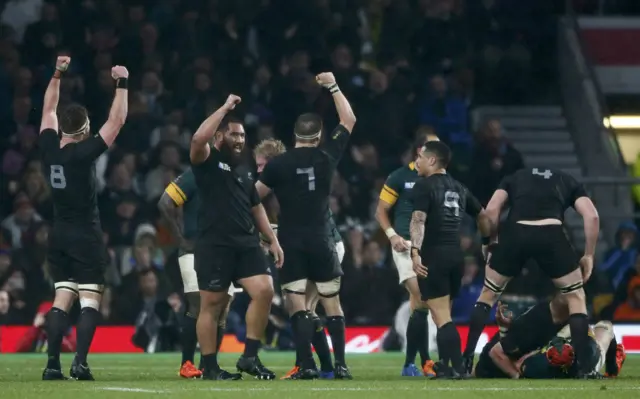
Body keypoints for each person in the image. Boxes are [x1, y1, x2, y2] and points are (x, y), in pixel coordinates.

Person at [255, 72, 356, 380]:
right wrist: (334, 86)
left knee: (297, 303)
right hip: (322, 238)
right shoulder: (327, 156)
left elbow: (252, 199)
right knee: (331, 303)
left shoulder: (277, 165)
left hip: (291, 240)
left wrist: (267, 233)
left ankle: (306, 365)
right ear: (320, 135)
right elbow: (349, 119)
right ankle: (340, 366)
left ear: (294, 134)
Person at [461, 168, 600, 378]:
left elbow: (491, 210)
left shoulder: (513, 177)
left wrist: (490, 242)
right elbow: (592, 216)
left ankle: (466, 359)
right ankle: (585, 369)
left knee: (488, 294)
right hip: (551, 233)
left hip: (516, 233)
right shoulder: (567, 180)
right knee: (575, 297)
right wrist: (588, 255)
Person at [39, 56, 129, 380]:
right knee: (90, 300)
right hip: (85, 234)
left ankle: (52, 365)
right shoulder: (84, 153)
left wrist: (57, 72)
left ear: (62, 127)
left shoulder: (48, 147)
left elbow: (49, 108)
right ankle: (80, 363)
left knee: (62, 297)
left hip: (58, 234)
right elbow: (117, 121)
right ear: (86, 128)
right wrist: (122, 82)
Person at [189, 94, 283, 380]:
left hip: (246, 244)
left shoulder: (244, 171)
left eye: (242, 135)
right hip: (214, 245)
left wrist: (272, 240)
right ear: (220, 135)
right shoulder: (206, 160)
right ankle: (210, 367)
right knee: (213, 305)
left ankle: (250, 357)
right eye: (234, 135)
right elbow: (196, 140)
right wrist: (225, 109)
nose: (240, 140)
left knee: (265, 290)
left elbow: (257, 208)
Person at [409, 141, 491, 378]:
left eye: (422, 157)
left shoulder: (424, 186)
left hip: (434, 255)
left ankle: (457, 367)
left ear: (433, 160)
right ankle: (446, 364)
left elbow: (418, 220)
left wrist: (415, 252)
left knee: (441, 316)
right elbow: (483, 215)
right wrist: (485, 243)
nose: (418, 162)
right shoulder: (459, 187)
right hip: (457, 258)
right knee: (444, 313)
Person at [158, 167, 240, 378]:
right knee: (197, 302)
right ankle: (187, 363)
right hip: (194, 249)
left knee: (223, 304)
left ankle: (208, 365)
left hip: (223, 249)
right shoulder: (194, 175)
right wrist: (180, 238)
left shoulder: (233, 175)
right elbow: (164, 202)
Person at [375, 134, 439, 377]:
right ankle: (426, 361)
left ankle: (410, 364)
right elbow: (380, 211)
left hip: (431, 247)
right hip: (404, 244)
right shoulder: (400, 176)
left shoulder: (440, 179)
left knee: (418, 306)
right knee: (421, 297)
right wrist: (392, 235)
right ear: (419, 150)